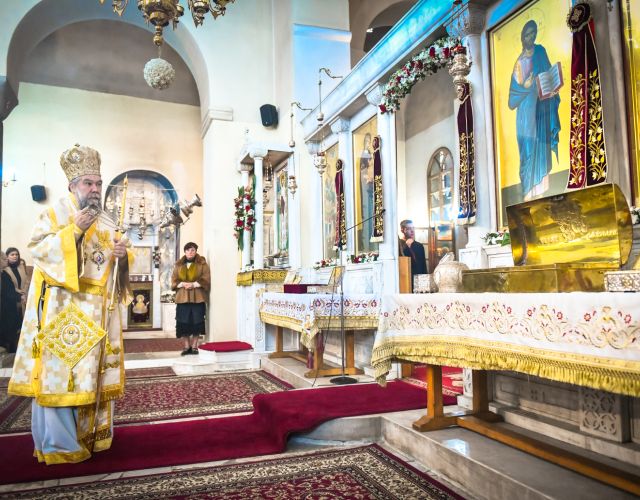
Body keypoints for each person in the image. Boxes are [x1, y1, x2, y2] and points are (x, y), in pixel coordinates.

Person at [7, 144, 131, 464]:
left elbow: (116, 269)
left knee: (93, 376)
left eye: (98, 183)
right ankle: (60, 443)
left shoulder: (107, 221)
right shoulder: (53, 214)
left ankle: (91, 437)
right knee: (62, 376)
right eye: (88, 183)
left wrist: (123, 257)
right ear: (72, 185)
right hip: (63, 313)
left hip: (98, 316)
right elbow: (39, 250)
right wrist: (75, 230)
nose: (94, 189)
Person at [508, 19, 561, 201]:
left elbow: (548, 74)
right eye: (527, 35)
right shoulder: (519, 63)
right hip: (526, 115)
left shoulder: (540, 51)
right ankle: (528, 195)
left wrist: (553, 85)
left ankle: (543, 193)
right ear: (522, 38)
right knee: (528, 152)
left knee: (542, 150)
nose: (530, 38)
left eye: (533, 33)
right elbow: (512, 100)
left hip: (542, 110)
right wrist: (526, 86)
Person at [171, 242, 210, 355]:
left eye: (192, 250)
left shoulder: (202, 263)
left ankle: (194, 346)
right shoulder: (178, 264)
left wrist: (194, 284)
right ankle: (186, 346)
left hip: (198, 297)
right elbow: (174, 279)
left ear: (196, 251)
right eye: (188, 250)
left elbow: (206, 278)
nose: (190, 252)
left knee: (197, 321)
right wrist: (182, 284)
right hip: (182, 297)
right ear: (185, 252)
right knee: (183, 322)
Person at [0, 247, 28, 353]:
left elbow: (26, 281)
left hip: (24, 294)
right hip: (12, 299)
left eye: (16, 254)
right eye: (12, 254)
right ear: (7, 257)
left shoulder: (21, 267)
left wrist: (25, 293)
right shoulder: (4, 272)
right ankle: (11, 347)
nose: (15, 256)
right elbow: (8, 290)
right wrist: (20, 297)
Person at [399, 220, 427, 284]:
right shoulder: (399, 245)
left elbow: (423, 266)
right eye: (409, 228)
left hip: (418, 280)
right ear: (402, 230)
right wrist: (407, 246)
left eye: (413, 228)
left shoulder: (419, 246)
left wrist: (424, 281)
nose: (412, 231)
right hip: (404, 279)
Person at [359, 133, 374, 248]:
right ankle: (366, 245)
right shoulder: (364, 155)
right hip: (366, 186)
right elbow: (364, 166)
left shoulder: (371, 154)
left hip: (371, 187)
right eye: (367, 141)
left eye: (370, 141)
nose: (368, 144)